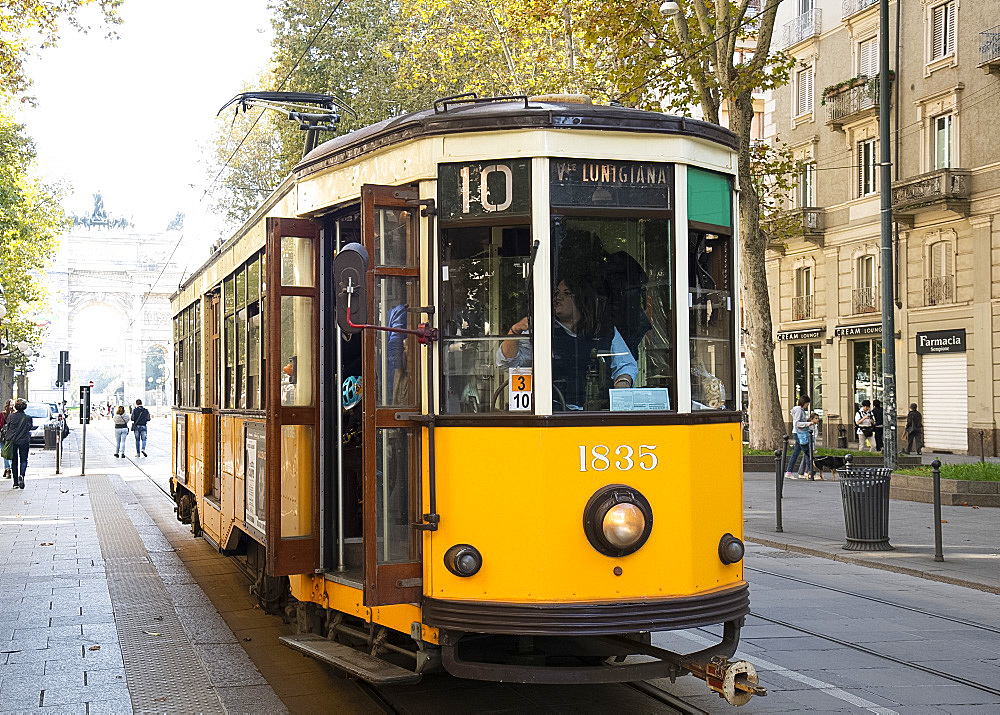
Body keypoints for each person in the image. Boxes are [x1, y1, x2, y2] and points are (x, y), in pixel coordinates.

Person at [498, 276, 638, 411]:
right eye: (557, 293)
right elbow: (508, 363)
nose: (558, 298)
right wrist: (514, 331)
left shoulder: (605, 331)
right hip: (556, 413)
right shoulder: (543, 331)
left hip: (597, 413)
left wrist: (622, 385)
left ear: (582, 299)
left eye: (567, 293)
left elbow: (626, 365)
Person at [784, 395, 818, 480]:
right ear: (804, 403)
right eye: (807, 404)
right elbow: (797, 423)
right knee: (807, 452)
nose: (807, 406)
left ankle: (790, 472)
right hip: (800, 433)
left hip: (798, 433)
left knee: (796, 453)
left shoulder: (799, 410)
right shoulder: (799, 410)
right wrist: (807, 424)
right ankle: (810, 473)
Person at [4, 399, 33, 489]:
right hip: (24, 441)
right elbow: (29, 428)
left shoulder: (11, 417)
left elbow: (8, 427)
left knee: (14, 461)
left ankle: (15, 482)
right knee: (24, 460)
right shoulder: (28, 418)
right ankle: (22, 475)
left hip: (12, 441)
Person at [1, 399, 13, 479]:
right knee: (11, 453)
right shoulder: (14, 415)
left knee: (5, 453)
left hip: (3, 437)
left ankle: (7, 468)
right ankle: (10, 468)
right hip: (11, 436)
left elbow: (0, 425)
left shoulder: (2, 414)